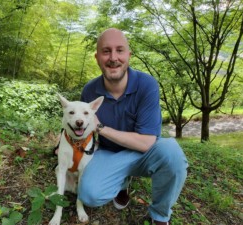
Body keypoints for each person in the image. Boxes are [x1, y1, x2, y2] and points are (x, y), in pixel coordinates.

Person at [78, 28, 188, 225]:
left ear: (129, 54)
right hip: (108, 152)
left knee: (172, 153)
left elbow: (146, 142)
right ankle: (122, 183)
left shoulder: (147, 84)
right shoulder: (90, 90)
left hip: (143, 153)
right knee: (89, 194)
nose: (113, 58)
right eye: (106, 51)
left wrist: (101, 127)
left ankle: (160, 216)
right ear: (97, 57)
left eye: (119, 50)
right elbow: (83, 128)